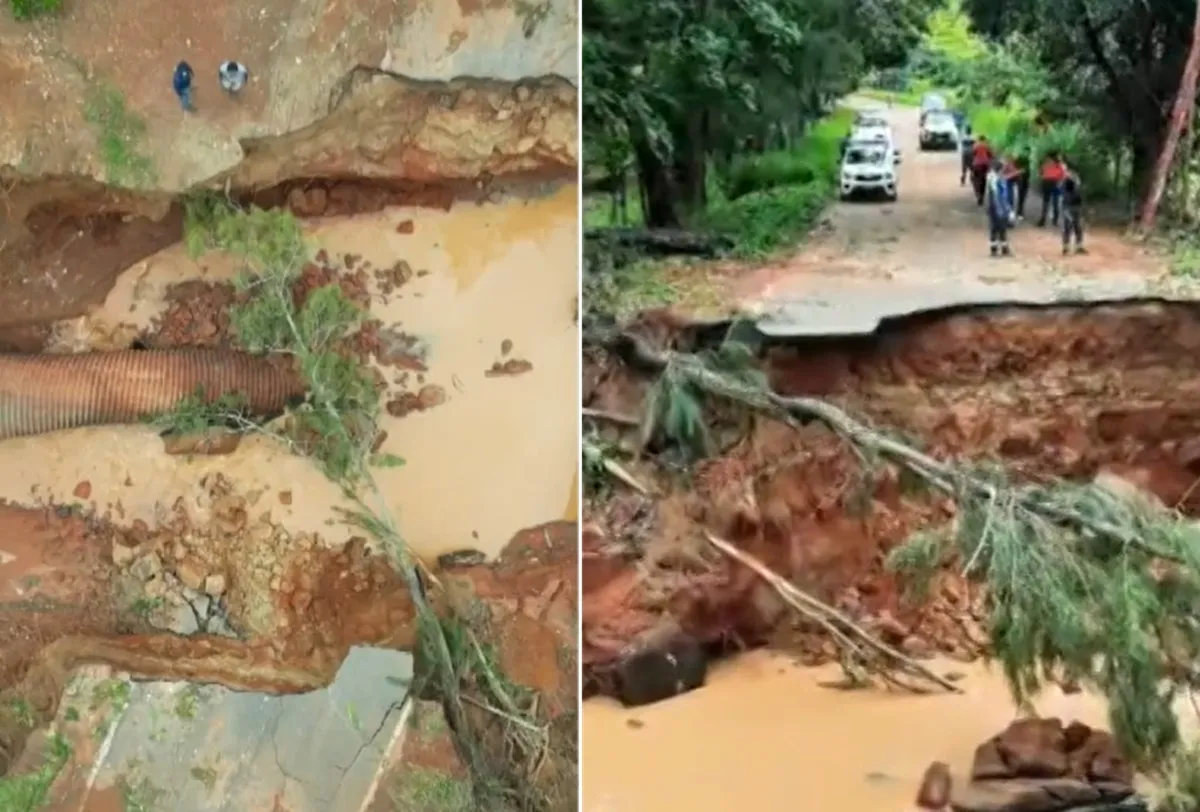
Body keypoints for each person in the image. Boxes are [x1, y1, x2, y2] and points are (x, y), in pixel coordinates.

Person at [985, 158, 1014, 256]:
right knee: (1002, 228)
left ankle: (994, 249)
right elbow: (998, 195)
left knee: (994, 228)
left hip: (993, 205)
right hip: (998, 205)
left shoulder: (992, 177)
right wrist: (1004, 209)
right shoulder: (998, 179)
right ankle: (1004, 248)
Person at [1060, 162, 1086, 254]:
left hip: (1076, 205)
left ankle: (1078, 246)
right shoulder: (1066, 181)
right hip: (1068, 206)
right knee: (1068, 226)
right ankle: (1066, 247)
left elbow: (1079, 193)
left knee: (1078, 226)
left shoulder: (1075, 180)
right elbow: (1065, 192)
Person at [1037, 151, 1066, 227]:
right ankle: (1053, 220)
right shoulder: (1059, 164)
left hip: (1050, 182)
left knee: (1048, 202)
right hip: (1053, 182)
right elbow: (1063, 175)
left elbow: (1041, 173)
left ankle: (1044, 220)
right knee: (1054, 202)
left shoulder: (1048, 164)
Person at [971, 135, 994, 206]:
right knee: (984, 180)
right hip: (985, 165)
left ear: (979, 139)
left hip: (976, 164)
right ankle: (982, 196)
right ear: (984, 139)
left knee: (975, 179)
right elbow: (991, 155)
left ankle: (978, 194)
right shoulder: (987, 146)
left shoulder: (975, 145)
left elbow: (973, 153)